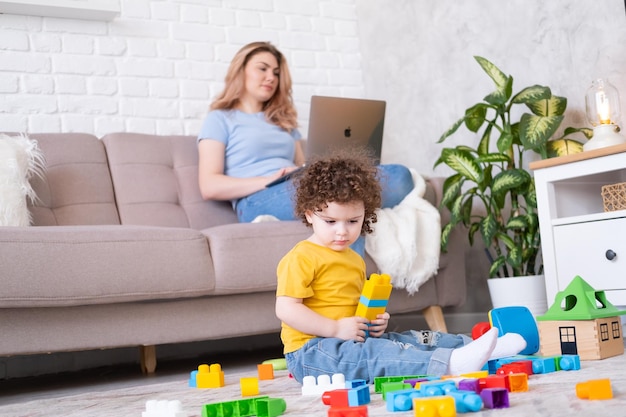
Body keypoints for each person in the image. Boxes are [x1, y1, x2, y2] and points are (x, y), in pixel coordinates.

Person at [275, 153, 527, 384]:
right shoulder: (302, 257)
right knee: (378, 354)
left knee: (409, 340)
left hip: (351, 341)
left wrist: (372, 322)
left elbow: (352, 307)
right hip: (312, 352)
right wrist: (335, 329)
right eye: (330, 221)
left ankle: (480, 347)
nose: (342, 231)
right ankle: (450, 364)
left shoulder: (353, 258)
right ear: (309, 214)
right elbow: (286, 308)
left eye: (353, 221)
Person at [196, 42, 414, 251]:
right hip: (256, 199)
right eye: (262, 68)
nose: (271, 77)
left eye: (276, 72)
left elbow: (303, 165)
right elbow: (209, 186)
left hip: (297, 184)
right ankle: (348, 286)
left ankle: (349, 280)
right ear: (240, 71)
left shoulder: (284, 122)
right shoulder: (220, 119)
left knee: (401, 176)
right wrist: (268, 181)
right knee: (341, 191)